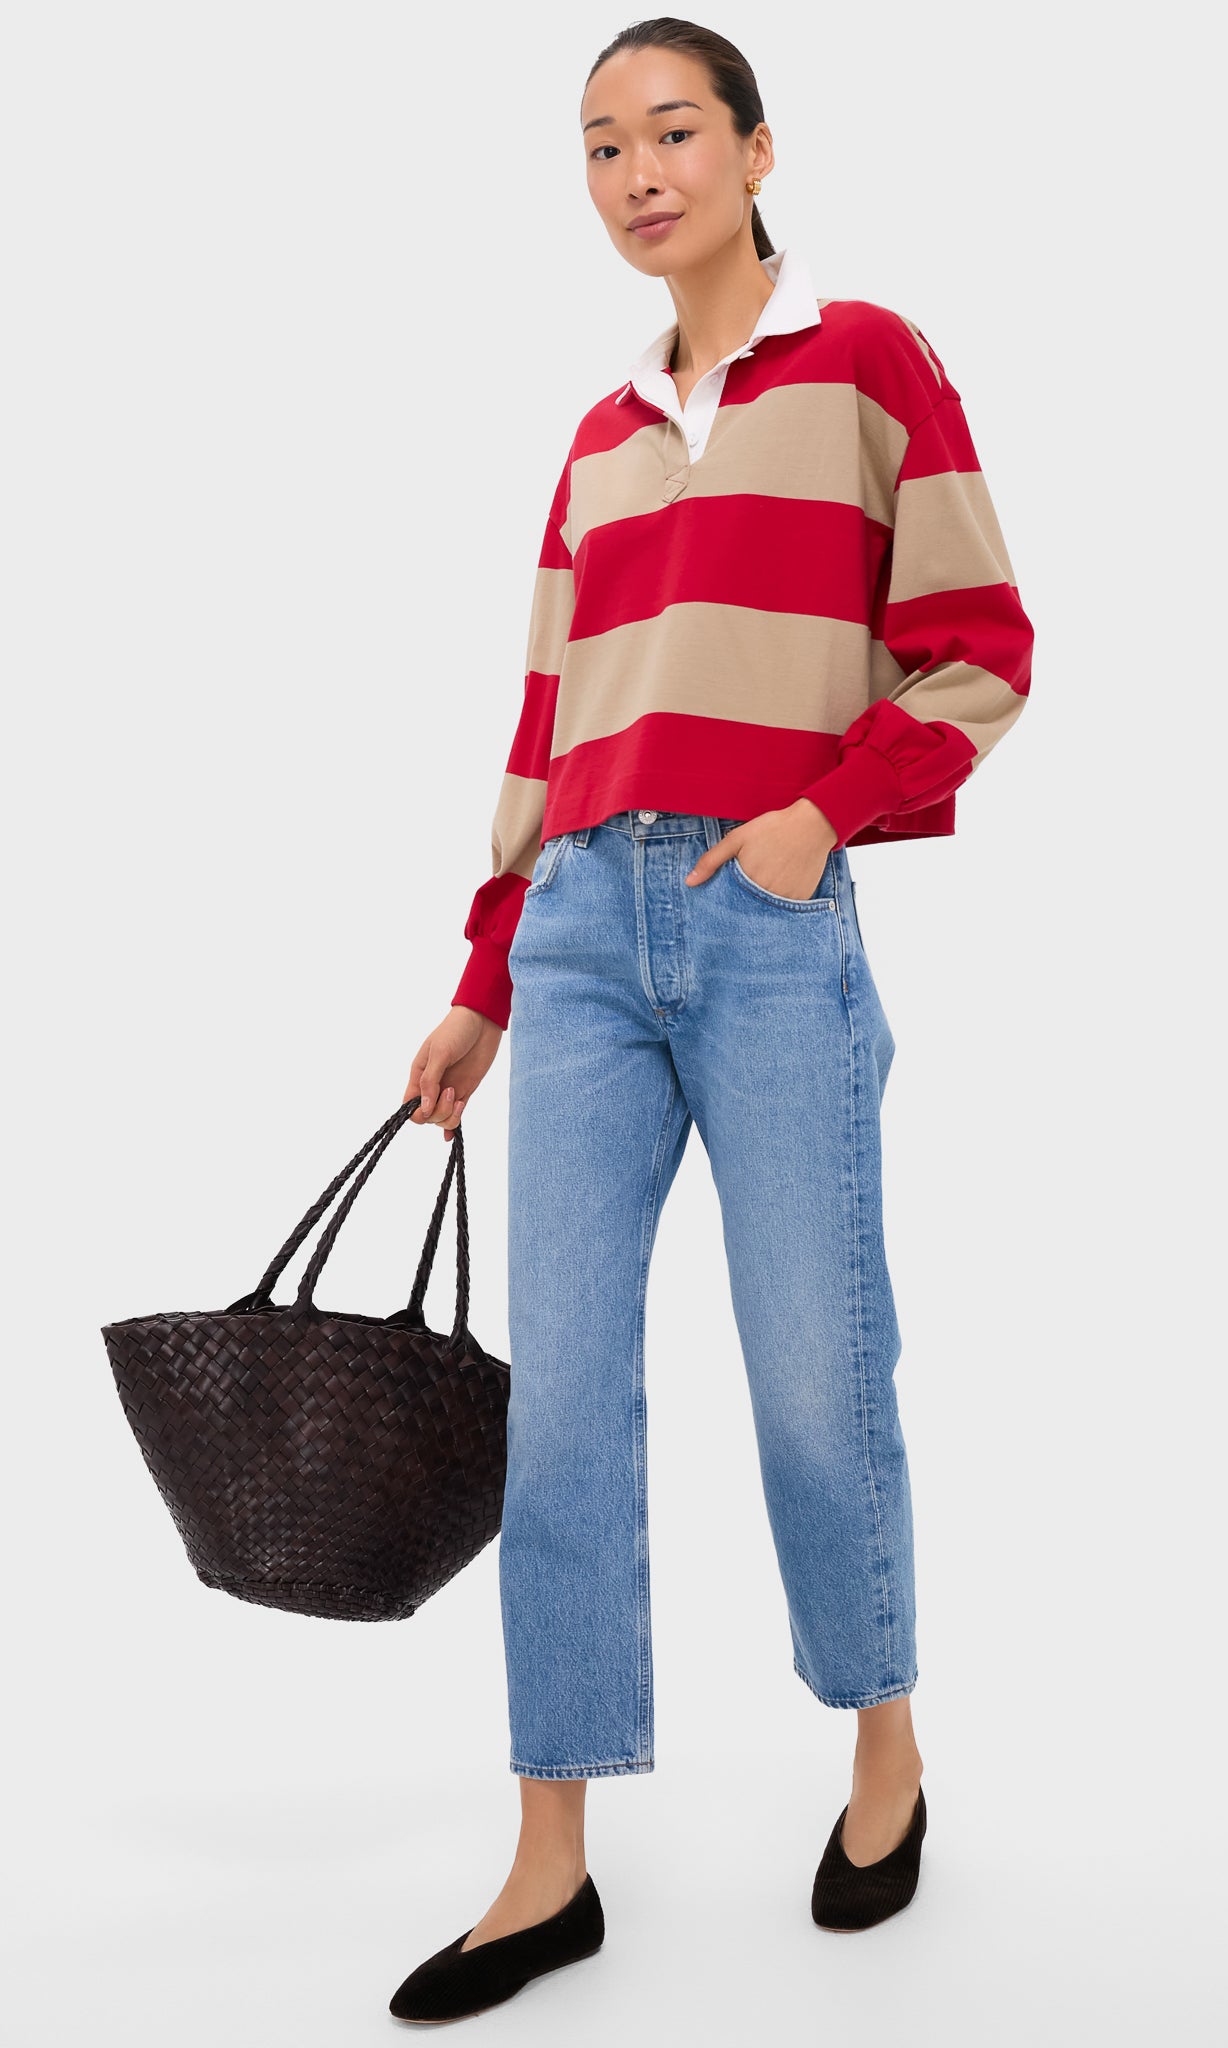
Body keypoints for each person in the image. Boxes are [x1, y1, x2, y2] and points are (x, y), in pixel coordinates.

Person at [391, 17, 1033, 2023]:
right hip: (582, 930)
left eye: (671, 130)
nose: (636, 172)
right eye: (598, 146)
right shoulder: (592, 440)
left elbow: (976, 649)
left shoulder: (867, 362)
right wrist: (486, 974)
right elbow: (538, 722)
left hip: (763, 924)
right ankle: (549, 1859)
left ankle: (880, 1744)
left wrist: (805, 822)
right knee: (559, 1411)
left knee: (814, 1380)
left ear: (758, 150)